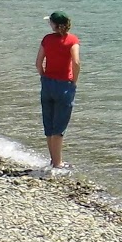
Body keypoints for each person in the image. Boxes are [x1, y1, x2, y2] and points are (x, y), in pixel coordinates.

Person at [34, 10, 80, 178]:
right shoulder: (72, 40)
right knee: (59, 126)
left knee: (49, 123)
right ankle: (58, 163)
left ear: (54, 25)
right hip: (64, 85)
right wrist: (74, 81)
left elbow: (38, 63)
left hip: (48, 83)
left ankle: (53, 161)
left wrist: (44, 76)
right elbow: (76, 62)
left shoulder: (47, 39)